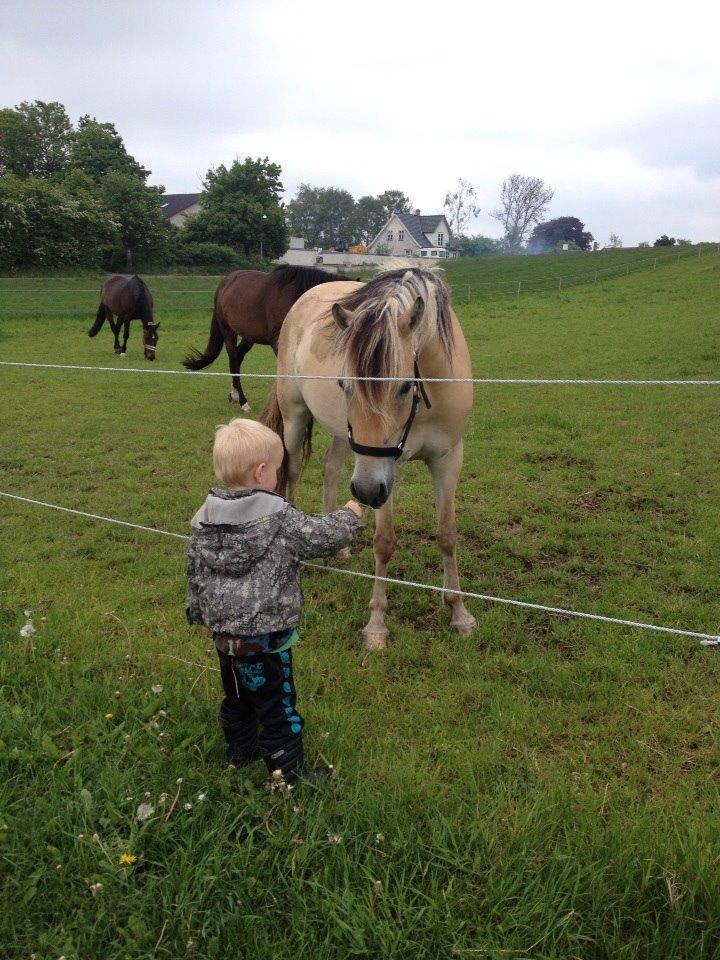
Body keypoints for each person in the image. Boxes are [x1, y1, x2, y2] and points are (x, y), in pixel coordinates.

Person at [186, 418, 363, 785]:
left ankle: (240, 752)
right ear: (261, 472)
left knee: (237, 699)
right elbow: (322, 537)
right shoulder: (279, 517)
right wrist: (351, 513)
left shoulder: (203, 518)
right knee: (278, 707)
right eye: (278, 471)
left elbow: (195, 571)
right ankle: (288, 776)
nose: (279, 479)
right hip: (266, 641)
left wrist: (199, 612)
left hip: (225, 640)